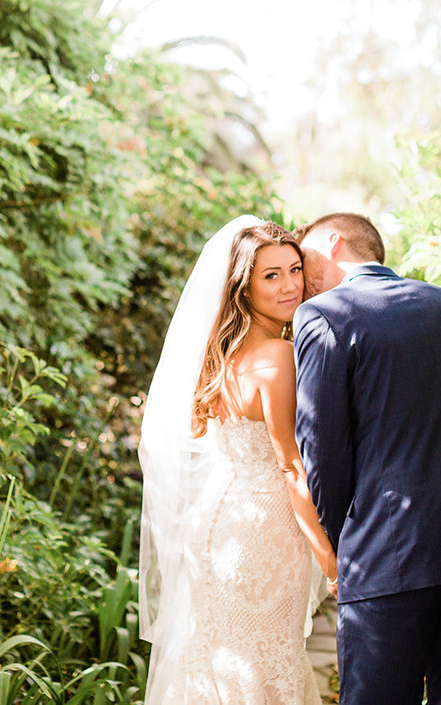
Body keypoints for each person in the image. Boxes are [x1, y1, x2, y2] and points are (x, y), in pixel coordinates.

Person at [292, 212, 441, 705]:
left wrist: (345, 543)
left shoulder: (324, 315)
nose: (300, 279)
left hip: (385, 550)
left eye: (304, 259)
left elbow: (321, 447)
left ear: (333, 243)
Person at [139, 216, 334, 705]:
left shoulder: (219, 355)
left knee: (219, 655)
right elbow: (292, 467)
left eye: (294, 270)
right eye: (272, 275)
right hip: (264, 530)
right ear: (243, 287)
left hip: (214, 522)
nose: (290, 285)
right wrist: (332, 563)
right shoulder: (279, 356)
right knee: (268, 657)